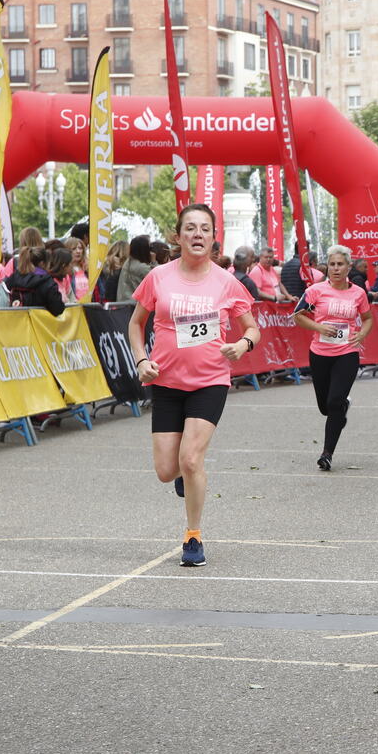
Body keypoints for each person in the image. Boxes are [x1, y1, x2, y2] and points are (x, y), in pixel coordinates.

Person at [128, 203, 259, 567]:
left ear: (214, 239)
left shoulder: (226, 281)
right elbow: (136, 324)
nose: (197, 234)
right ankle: (184, 477)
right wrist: (141, 360)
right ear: (178, 235)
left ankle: (193, 537)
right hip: (167, 380)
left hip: (210, 380)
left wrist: (241, 345)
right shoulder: (159, 277)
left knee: (191, 458)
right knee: (166, 470)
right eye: (190, 228)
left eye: (204, 228)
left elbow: (252, 329)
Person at [292, 244, 374, 471]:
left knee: (334, 401)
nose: (336, 269)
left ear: (349, 267)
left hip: (347, 353)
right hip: (319, 353)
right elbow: (297, 316)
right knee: (326, 407)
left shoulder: (358, 293)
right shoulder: (316, 291)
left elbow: (367, 318)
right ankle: (341, 409)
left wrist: (362, 334)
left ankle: (327, 454)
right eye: (332, 264)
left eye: (340, 264)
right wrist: (318, 327)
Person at [3, 247, 66, 315]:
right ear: (42, 263)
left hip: (16, 322)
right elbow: (57, 309)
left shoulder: (14, 277)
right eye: (49, 263)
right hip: (40, 323)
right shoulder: (47, 282)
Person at [118, 235, 155, 301]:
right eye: (150, 247)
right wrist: (154, 262)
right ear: (144, 249)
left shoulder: (128, 262)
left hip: (124, 304)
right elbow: (158, 280)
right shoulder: (142, 268)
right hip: (134, 306)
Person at [64, 236, 90, 301]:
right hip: (74, 307)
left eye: (80, 248)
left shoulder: (87, 269)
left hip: (89, 306)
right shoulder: (64, 271)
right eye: (74, 249)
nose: (78, 251)